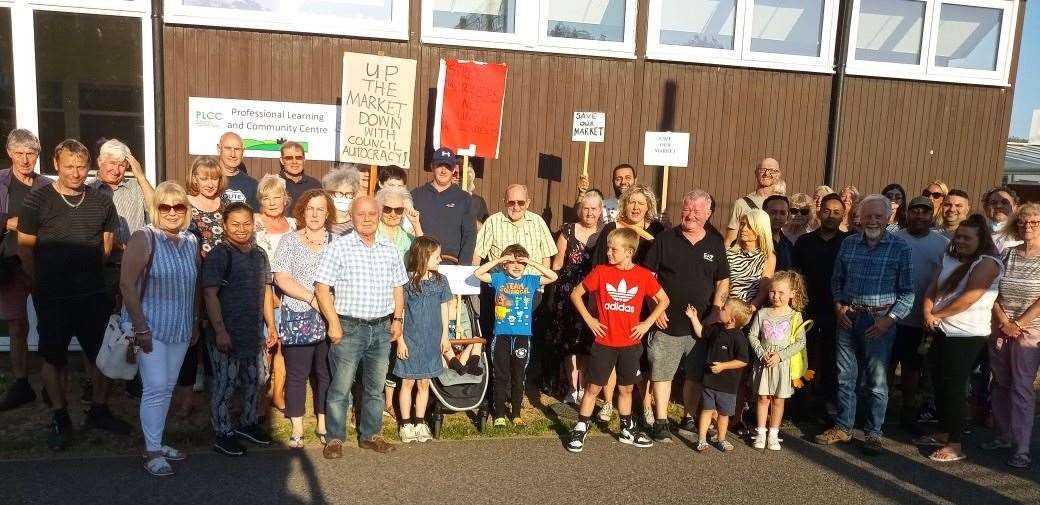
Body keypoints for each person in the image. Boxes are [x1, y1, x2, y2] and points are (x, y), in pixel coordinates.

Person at [17, 139, 129, 451]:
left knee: (101, 356)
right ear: (57, 165)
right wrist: (41, 282)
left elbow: (107, 245)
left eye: (81, 166)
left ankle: (99, 410)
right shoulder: (37, 200)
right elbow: (26, 248)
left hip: (93, 293)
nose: (76, 173)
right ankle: (60, 415)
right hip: (52, 295)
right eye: (69, 166)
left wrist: (89, 275)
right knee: (54, 357)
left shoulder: (102, 202)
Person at [816, 194, 914, 456]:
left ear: (888, 218)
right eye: (867, 216)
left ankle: (873, 433)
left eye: (878, 216)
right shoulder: (848, 244)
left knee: (877, 381)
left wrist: (889, 320)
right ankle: (844, 426)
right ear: (860, 217)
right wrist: (838, 308)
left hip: (879, 322)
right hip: (848, 318)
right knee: (845, 377)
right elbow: (836, 281)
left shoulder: (900, 248)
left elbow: (907, 293)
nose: (872, 221)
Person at [314, 195, 408, 459]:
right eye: (361, 214)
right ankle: (334, 438)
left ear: (378, 216)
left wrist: (398, 320)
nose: (366, 218)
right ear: (352, 218)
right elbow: (321, 288)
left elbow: (398, 287)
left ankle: (370, 435)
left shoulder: (389, 248)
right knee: (340, 387)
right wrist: (333, 323)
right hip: (348, 328)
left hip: (381, 328)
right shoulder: (339, 247)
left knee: (375, 388)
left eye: (371, 214)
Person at [119, 181, 199, 476]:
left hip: (178, 327)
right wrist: (140, 328)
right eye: (165, 206)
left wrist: (193, 322)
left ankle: (157, 440)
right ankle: (152, 451)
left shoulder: (190, 240)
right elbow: (126, 285)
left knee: (166, 388)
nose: (172, 212)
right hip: (149, 327)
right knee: (154, 388)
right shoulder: (144, 237)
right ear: (155, 209)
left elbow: (193, 287)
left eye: (179, 206)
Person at [566, 227, 670, 452]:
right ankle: (581, 426)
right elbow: (576, 294)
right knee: (593, 388)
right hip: (604, 343)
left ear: (629, 252)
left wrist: (647, 323)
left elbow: (663, 300)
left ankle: (626, 428)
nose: (609, 253)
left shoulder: (642, 275)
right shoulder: (601, 272)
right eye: (608, 248)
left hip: (630, 345)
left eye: (614, 249)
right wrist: (590, 320)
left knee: (626, 389)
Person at [643, 190, 730, 442]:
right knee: (662, 372)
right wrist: (653, 308)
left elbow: (722, 281)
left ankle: (688, 417)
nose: (690, 214)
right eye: (687, 209)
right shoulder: (665, 239)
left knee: (694, 375)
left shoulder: (715, 243)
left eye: (696, 211)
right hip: (666, 322)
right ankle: (660, 421)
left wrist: (715, 311)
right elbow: (648, 277)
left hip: (700, 325)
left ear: (708, 214)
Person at [917, 214, 1002, 462]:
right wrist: (927, 312)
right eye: (959, 236)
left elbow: (969, 298)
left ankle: (955, 444)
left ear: (981, 239)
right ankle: (944, 432)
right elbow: (932, 287)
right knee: (940, 383)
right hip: (941, 329)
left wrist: (936, 315)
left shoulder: (987, 263)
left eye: (967, 237)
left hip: (967, 334)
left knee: (954, 386)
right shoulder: (950, 258)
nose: (961, 241)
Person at [201, 202, 277, 457]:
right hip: (226, 336)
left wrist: (271, 326)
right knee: (225, 384)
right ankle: (222, 434)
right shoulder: (219, 255)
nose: (242, 229)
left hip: (254, 334)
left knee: (257, 380)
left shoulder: (259, 254)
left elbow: (266, 291)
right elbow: (210, 294)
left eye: (246, 223)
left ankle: (247, 423)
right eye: (235, 224)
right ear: (224, 225)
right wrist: (220, 330)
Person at [589, 183, 665, 423]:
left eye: (641, 203)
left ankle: (645, 405)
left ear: (648, 207)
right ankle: (608, 403)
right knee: (612, 353)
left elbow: (661, 270)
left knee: (640, 359)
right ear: (624, 203)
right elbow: (598, 265)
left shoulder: (657, 231)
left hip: (643, 304)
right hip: (612, 303)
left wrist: (655, 306)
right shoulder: (612, 229)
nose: (635, 207)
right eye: (632, 202)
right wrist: (594, 305)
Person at [272, 189, 334, 449]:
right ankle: (297, 427)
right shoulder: (289, 241)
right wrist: (311, 298)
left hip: (331, 315)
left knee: (325, 373)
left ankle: (322, 421)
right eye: (311, 208)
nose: (315, 214)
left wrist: (327, 305)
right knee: (297, 374)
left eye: (321, 209)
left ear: (328, 212)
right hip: (299, 313)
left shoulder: (337, 242)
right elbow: (281, 277)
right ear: (302, 211)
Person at [474, 244, 558, 426]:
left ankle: (516, 413)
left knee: (519, 375)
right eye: (511, 262)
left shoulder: (530, 280)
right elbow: (478, 274)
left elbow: (553, 276)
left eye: (520, 262)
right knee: (501, 375)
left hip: (522, 336)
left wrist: (530, 262)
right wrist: (499, 260)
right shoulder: (498, 278)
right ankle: (499, 415)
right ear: (505, 265)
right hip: (501, 335)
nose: (516, 265)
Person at [985, 203, 1040, 468]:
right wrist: (1004, 321)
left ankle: (1022, 447)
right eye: (1022, 222)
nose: (1027, 226)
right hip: (1002, 325)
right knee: (1000, 382)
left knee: (1021, 387)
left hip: (1030, 330)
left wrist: (1017, 323)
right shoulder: (1007, 253)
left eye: (1034, 222)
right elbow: (992, 288)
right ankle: (1003, 435)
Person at [0, 129, 50, 411]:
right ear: (10, 154)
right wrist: (7, 222)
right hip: (10, 263)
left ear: (37, 154)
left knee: (49, 323)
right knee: (17, 324)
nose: (25, 159)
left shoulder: (46, 185)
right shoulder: (0, 182)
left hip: (41, 263)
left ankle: (49, 382)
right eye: (19, 153)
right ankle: (21, 383)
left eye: (30, 153)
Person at [890, 196, 948, 432]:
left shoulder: (943, 243)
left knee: (913, 370)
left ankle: (908, 413)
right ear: (908, 213)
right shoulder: (893, 238)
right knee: (884, 366)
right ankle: (879, 413)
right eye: (915, 211)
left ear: (932, 215)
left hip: (921, 318)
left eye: (925, 212)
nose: (920, 216)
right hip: (891, 317)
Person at [792, 194, 849, 420]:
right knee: (806, 357)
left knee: (834, 360)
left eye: (837, 212)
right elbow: (796, 277)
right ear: (819, 212)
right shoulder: (804, 242)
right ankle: (801, 405)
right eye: (827, 211)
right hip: (809, 310)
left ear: (843, 215)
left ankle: (830, 404)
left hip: (837, 311)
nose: (831, 216)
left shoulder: (849, 242)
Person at [395, 236, 452, 443]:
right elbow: (399, 312)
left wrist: (445, 337)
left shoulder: (441, 281)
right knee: (408, 382)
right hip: (410, 341)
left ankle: (420, 421)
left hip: (432, 341)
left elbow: (444, 309)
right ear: (423, 256)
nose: (440, 260)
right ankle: (406, 423)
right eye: (437, 256)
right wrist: (400, 340)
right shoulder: (406, 282)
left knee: (424, 383)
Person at [549, 190, 603, 404]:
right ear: (580, 209)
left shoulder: (605, 232)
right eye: (586, 208)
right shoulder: (567, 231)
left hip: (593, 291)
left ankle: (584, 386)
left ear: (600, 211)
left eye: (594, 209)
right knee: (569, 342)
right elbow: (558, 263)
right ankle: (572, 388)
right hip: (568, 292)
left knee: (587, 342)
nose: (589, 213)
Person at [89, 139, 156, 305]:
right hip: (102, 267)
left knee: (133, 321)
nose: (117, 170)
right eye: (112, 163)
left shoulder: (137, 186)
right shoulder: (87, 189)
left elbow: (157, 209)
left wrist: (140, 175)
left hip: (135, 267)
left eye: (122, 165)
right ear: (100, 162)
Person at [748, 270, 808, 451]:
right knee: (763, 398)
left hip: (782, 364)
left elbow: (800, 342)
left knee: (778, 400)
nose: (776, 296)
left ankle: (773, 433)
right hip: (764, 363)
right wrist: (761, 353)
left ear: (792, 294)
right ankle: (760, 432)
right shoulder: (763, 313)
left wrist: (781, 356)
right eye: (773, 292)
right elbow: (752, 335)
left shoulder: (795, 316)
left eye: (781, 292)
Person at [687, 298, 753, 453]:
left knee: (723, 414)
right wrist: (693, 318)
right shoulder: (716, 328)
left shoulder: (739, 338)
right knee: (707, 410)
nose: (720, 309)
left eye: (723, 309)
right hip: (709, 381)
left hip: (728, 386)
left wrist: (724, 366)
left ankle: (722, 439)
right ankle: (702, 439)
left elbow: (743, 361)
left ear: (731, 319)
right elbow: (701, 333)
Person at [412, 148, 475, 263]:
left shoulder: (464, 199)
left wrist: (463, 267)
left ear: (454, 169)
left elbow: (469, 237)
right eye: (439, 165)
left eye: (448, 166)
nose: (443, 171)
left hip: (452, 264)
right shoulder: (416, 195)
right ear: (432, 166)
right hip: (421, 263)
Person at [724, 158, 781, 246]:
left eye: (772, 171)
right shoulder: (741, 204)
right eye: (763, 170)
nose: (766, 173)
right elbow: (730, 240)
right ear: (756, 173)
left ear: (778, 175)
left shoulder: (783, 204)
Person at [727, 209, 776, 310]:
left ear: (760, 229)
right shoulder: (729, 254)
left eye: (749, 226)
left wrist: (747, 313)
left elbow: (763, 291)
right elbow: (722, 286)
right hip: (726, 311)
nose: (743, 229)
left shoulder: (767, 257)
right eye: (742, 224)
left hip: (750, 313)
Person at [186, 156, 228, 257]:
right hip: (196, 267)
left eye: (214, 179)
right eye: (204, 179)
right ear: (194, 179)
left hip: (223, 267)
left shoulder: (226, 204)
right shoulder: (185, 203)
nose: (210, 185)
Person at [254, 174, 297, 260]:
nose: (272, 203)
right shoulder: (253, 222)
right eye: (266, 199)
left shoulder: (294, 224)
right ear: (261, 202)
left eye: (276, 197)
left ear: (285, 200)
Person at [376, 186, 423, 258]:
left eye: (398, 210)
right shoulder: (373, 232)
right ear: (380, 209)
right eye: (387, 209)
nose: (393, 214)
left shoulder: (407, 237)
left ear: (404, 211)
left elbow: (423, 256)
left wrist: (416, 225)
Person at [216, 132, 258, 209]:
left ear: (243, 152)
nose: (233, 154)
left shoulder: (252, 185)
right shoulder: (208, 180)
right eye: (228, 148)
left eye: (237, 149)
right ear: (219, 149)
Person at [278, 141, 321, 210]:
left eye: (298, 158)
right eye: (289, 158)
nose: (294, 162)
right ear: (282, 161)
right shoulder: (274, 183)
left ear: (304, 160)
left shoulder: (315, 185)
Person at [322, 164, 360, 236]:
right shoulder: (321, 221)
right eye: (339, 193)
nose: (344, 198)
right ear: (329, 194)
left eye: (349, 194)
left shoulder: (357, 224)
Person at [982, 186, 1021, 253]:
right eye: (994, 203)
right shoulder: (977, 231)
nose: (998, 206)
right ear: (986, 208)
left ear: (1015, 208)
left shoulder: (1023, 232)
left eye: (1005, 202)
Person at [764, 194, 793, 270]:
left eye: (782, 213)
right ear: (764, 213)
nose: (777, 217)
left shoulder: (788, 245)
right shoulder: (754, 241)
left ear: (788, 215)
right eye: (773, 212)